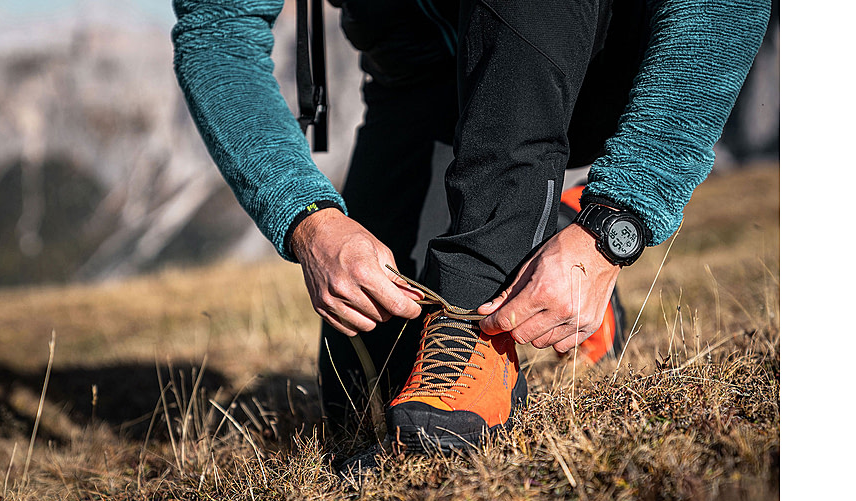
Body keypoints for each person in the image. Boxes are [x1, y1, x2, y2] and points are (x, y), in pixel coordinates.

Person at [172, 0, 770, 453]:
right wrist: (307, 219)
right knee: (367, 399)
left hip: (595, 48)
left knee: (441, 416)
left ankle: (491, 294)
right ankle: (547, 223)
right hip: (423, 74)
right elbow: (218, 34)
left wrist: (616, 224)